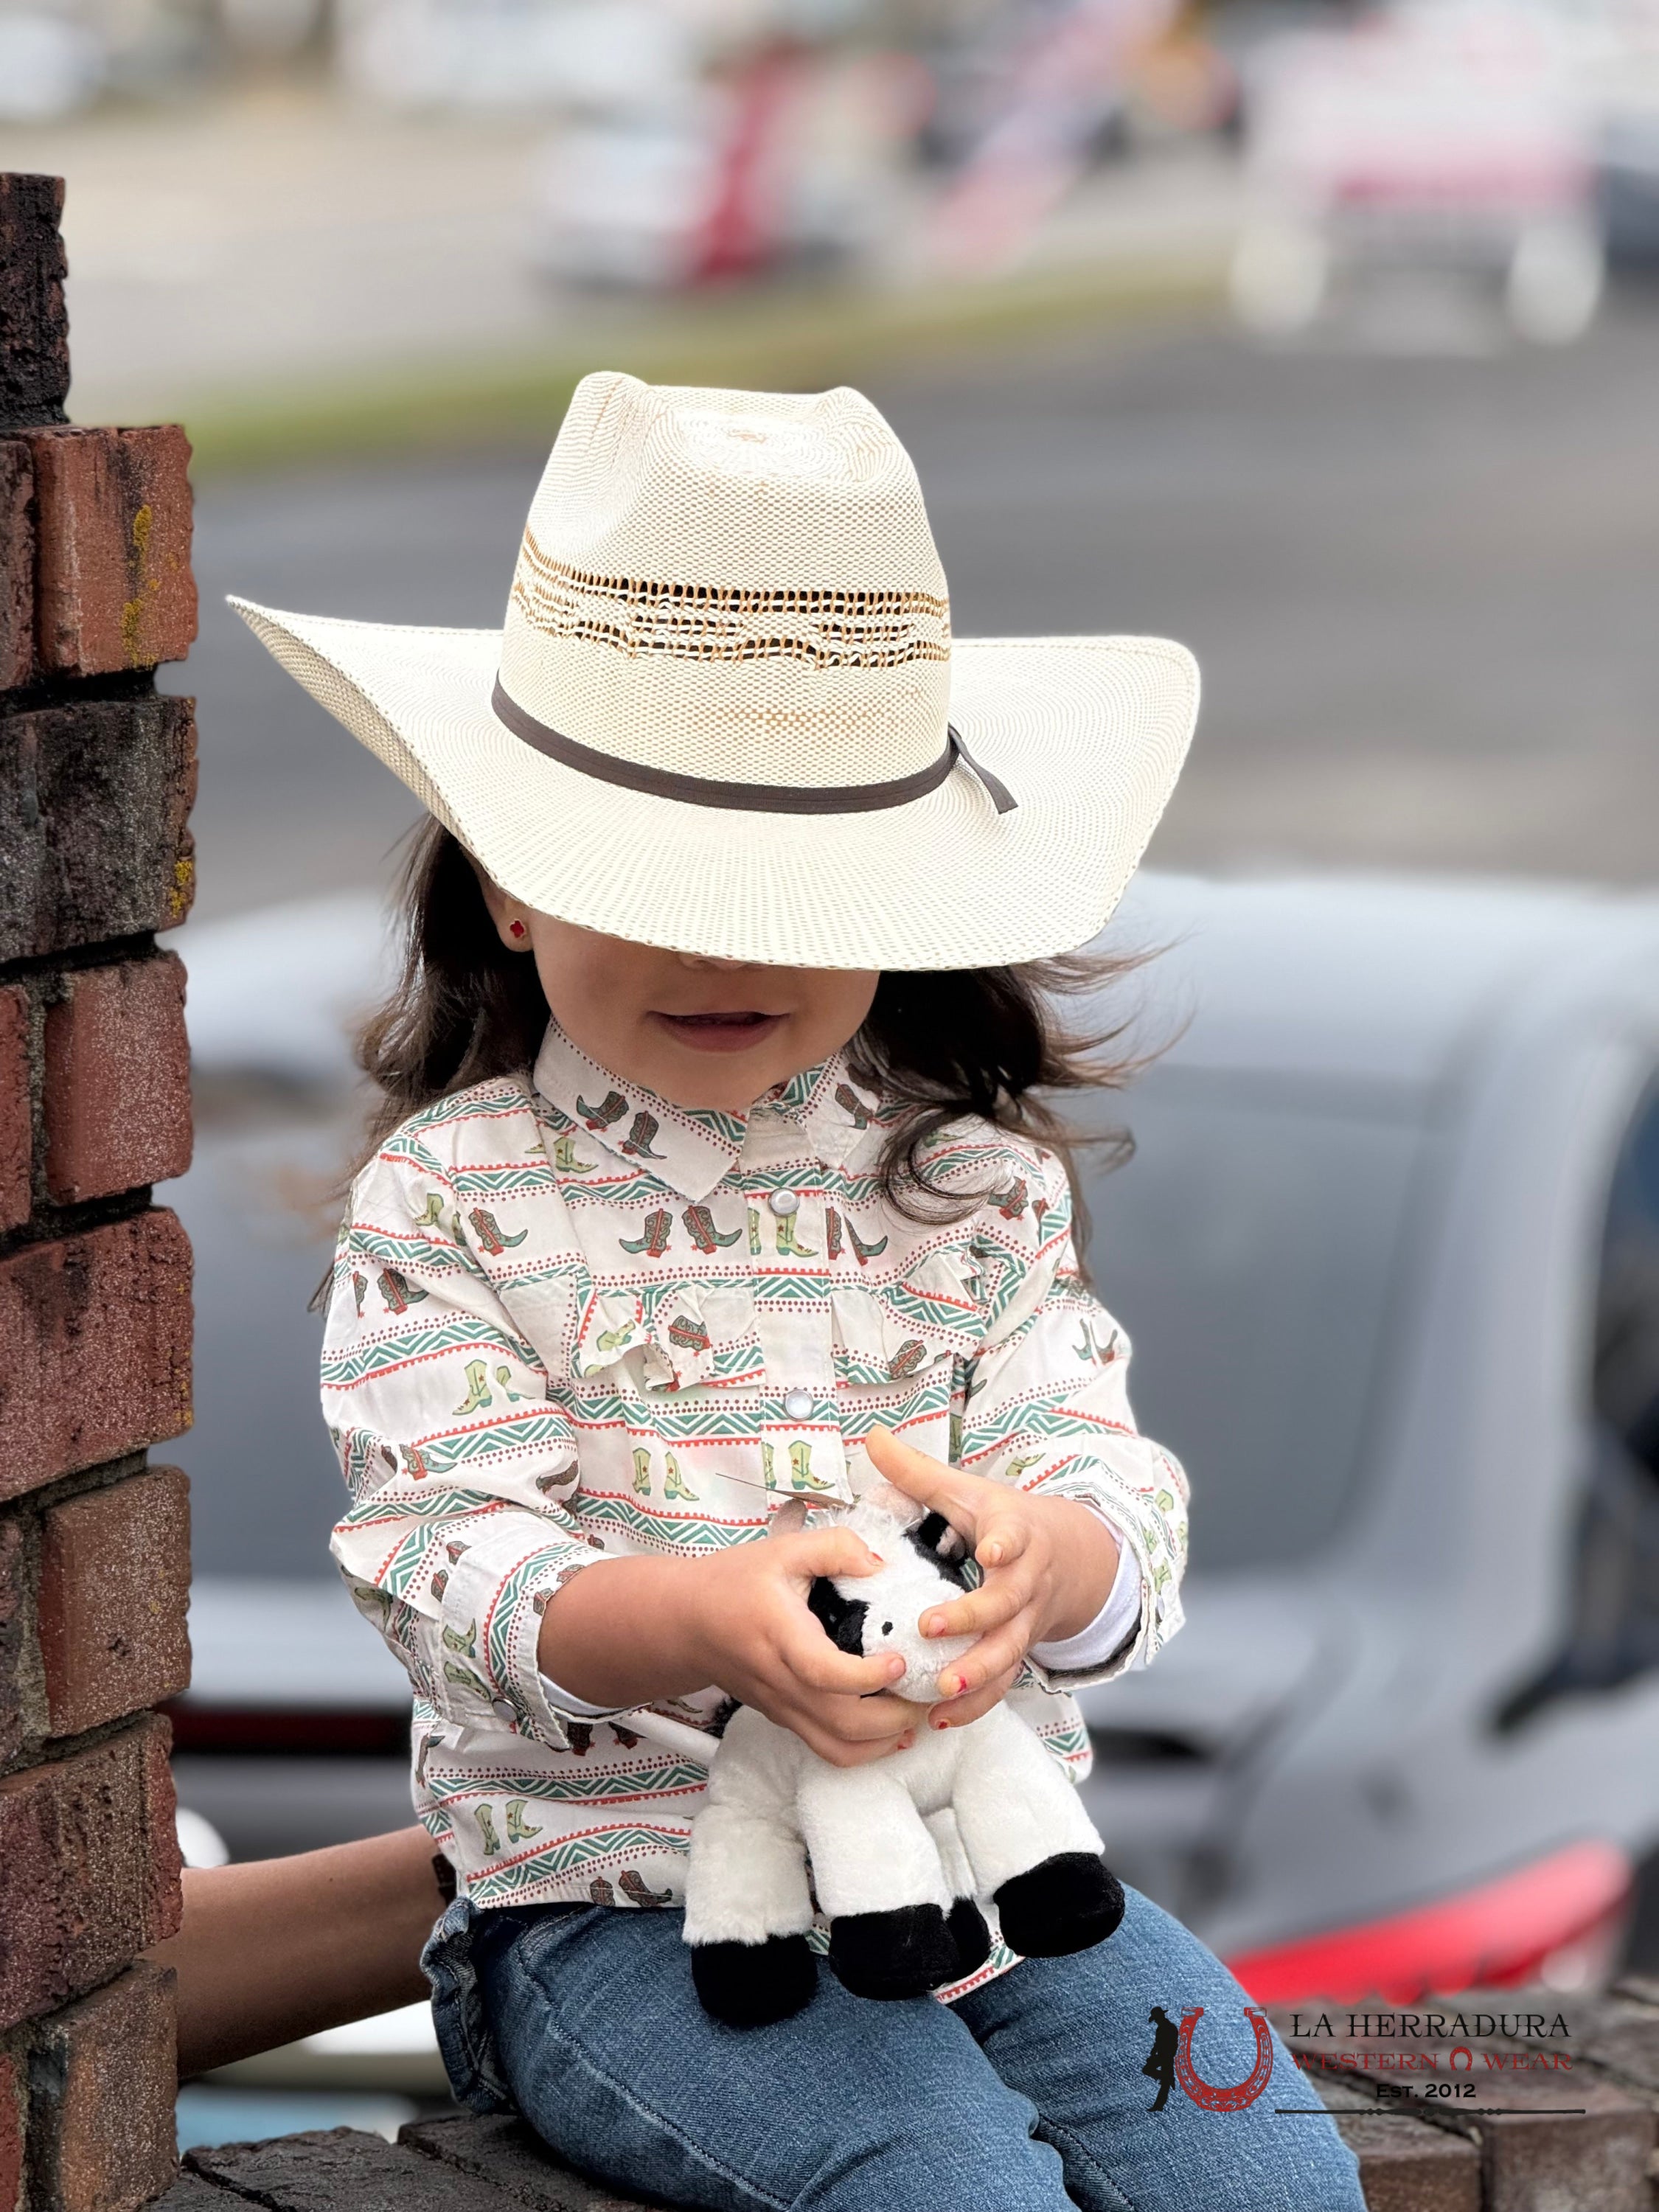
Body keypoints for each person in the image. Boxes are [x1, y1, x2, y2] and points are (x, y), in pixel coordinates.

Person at [233, 374, 1363, 2212]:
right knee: (953, 2190)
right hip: (626, 1907)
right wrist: (699, 1615)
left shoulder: (972, 1183)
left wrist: (1040, 1569)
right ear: (511, 886)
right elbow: (451, 1563)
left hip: (993, 1863)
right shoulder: (454, 1195)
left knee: (1278, 2186)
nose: (729, 948)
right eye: (653, 877)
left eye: (804, 885)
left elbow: (1106, 1480)